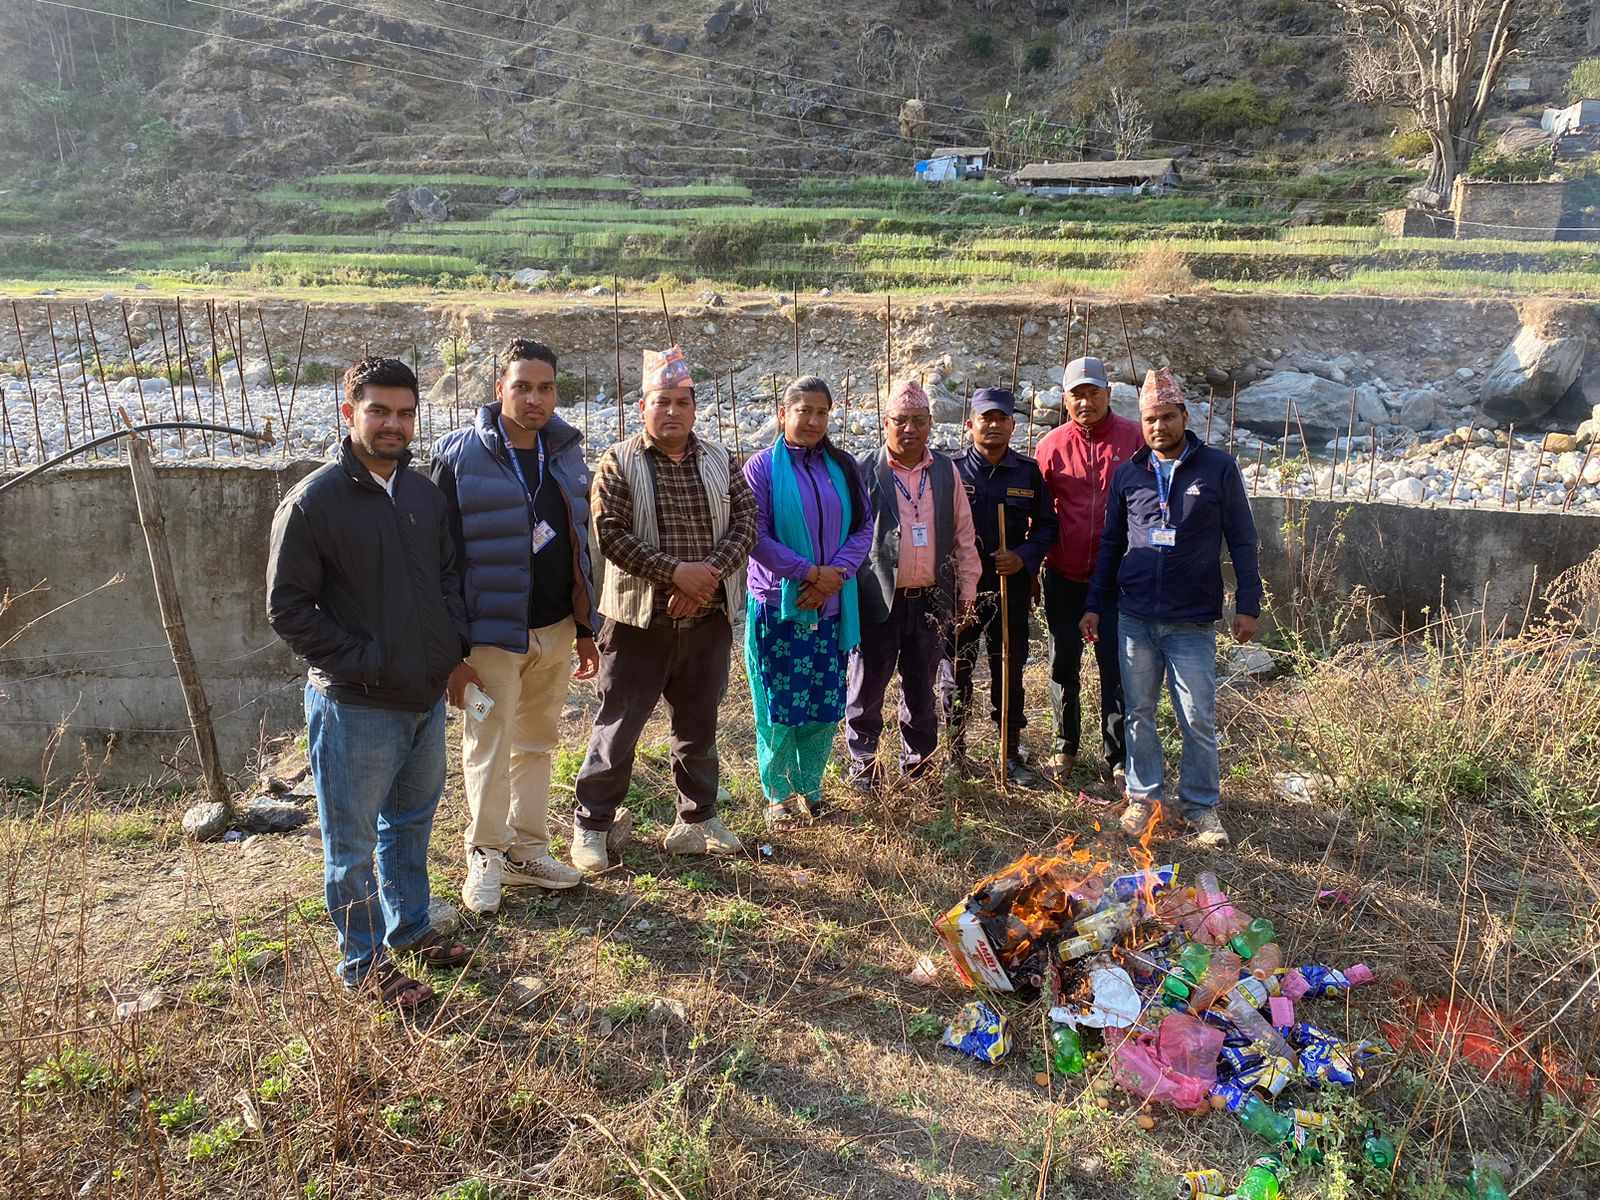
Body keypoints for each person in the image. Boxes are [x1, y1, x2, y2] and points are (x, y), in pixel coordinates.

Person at [267, 357, 471, 1009]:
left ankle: (410, 929)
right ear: (348, 412)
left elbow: (448, 578)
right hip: (355, 705)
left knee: (410, 822)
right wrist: (368, 660)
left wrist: (447, 649)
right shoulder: (314, 501)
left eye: (405, 412)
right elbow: (288, 609)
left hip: (423, 698)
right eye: (378, 410)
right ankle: (362, 964)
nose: (393, 424)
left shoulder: (423, 494)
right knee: (351, 845)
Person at [429, 338, 603, 916]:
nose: (534, 398)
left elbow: (580, 547)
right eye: (522, 386)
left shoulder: (566, 453)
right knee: (487, 744)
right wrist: (454, 647)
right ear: (498, 388)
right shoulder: (459, 455)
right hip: (490, 636)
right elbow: (440, 558)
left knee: (537, 742)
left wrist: (583, 626)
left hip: (554, 629)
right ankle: (485, 853)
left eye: (545, 387)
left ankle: (527, 850)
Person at [570, 346, 758, 870]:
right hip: (638, 623)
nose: (671, 411)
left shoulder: (721, 459)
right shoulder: (619, 461)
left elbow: (747, 522)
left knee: (698, 723)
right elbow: (610, 534)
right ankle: (592, 824)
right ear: (642, 407)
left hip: (706, 620)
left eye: (681, 402)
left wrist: (707, 576)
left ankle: (697, 819)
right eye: (661, 402)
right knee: (619, 725)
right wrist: (676, 573)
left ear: (695, 408)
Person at [1081, 369, 1264, 849]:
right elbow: (1111, 544)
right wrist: (1095, 604)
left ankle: (1201, 806)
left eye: (1167, 417)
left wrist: (1249, 604)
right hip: (1135, 618)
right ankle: (1144, 798)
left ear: (1185, 416)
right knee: (1139, 710)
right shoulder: (1130, 474)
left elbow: (1243, 540)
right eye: (1149, 419)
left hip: (1191, 621)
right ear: (1140, 424)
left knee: (1197, 714)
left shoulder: (1218, 469)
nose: (1158, 426)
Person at [743, 376, 872, 828]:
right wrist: (808, 574)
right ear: (783, 414)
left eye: (822, 412)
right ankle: (777, 794)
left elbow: (863, 528)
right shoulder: (760, 469)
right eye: (805, 411)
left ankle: (811, 787)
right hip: (778, 606)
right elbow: (753, 535)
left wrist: (833, 576)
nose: (814, 420)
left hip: (832, 605)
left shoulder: (844, 467)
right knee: (777, 705)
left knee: (822, 704)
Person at [845, 379, 981, 789]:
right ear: (885, 423)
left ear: (930, 423)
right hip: (878, 599)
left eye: (919, 421)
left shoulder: (944, 470)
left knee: (921, 689)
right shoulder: (864, 469)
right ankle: (864, 766)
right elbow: (845, 537)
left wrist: (968, 590)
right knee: (866, 687)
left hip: (929, 601)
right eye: (901, 421)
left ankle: (919, 767)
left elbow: (963, 533)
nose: (910, 430)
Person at [940, 387, 1057, 784]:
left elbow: (1047, 527)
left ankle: (1009, 752)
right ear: (970, 424)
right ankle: (955, 754)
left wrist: (1023, 556)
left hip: (1011, 588)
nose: (993, 425)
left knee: (1009, 668)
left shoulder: (1027, 473)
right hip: (963, 591)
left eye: (1000, 418)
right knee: (958, 670)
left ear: (1012, 424)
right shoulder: (951, 470)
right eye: (985, 418)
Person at [1036, 356, 1145, 783]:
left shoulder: (1134, 441)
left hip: (1117, 578)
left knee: (1115, 664)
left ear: (1108, 395)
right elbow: (1040, 513)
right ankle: (1065, 747)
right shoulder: (1051, 446)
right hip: (1063, 574)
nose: (1085, 401)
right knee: (1063, 662)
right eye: (1076, 394)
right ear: (1065, 400)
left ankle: (1117, 757)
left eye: (1093, 392)